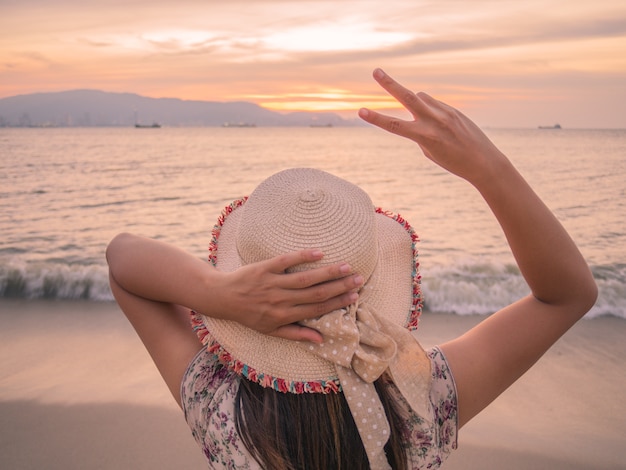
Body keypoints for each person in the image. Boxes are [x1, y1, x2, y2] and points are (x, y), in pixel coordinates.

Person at [106, 68, 597, 469]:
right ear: (373, 280)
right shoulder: (423, 402)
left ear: (249, 285)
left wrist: (219, 293)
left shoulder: (219, 410)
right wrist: (488, 167)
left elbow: (124, 260)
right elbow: (567, 294)